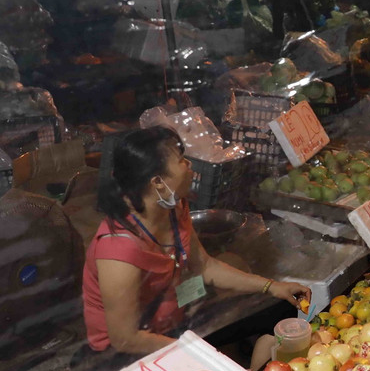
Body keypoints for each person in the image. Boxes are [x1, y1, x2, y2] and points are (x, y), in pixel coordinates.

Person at [82, 127, 309, 358]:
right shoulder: (118, 250)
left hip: (175, 319)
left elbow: (206, 267)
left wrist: (272, 287)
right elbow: (125, 339)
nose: (190, 166)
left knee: (280, 306)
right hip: (131, 351)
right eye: (182, 161)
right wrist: (201, 355)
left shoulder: (172, 207)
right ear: (158, 182)